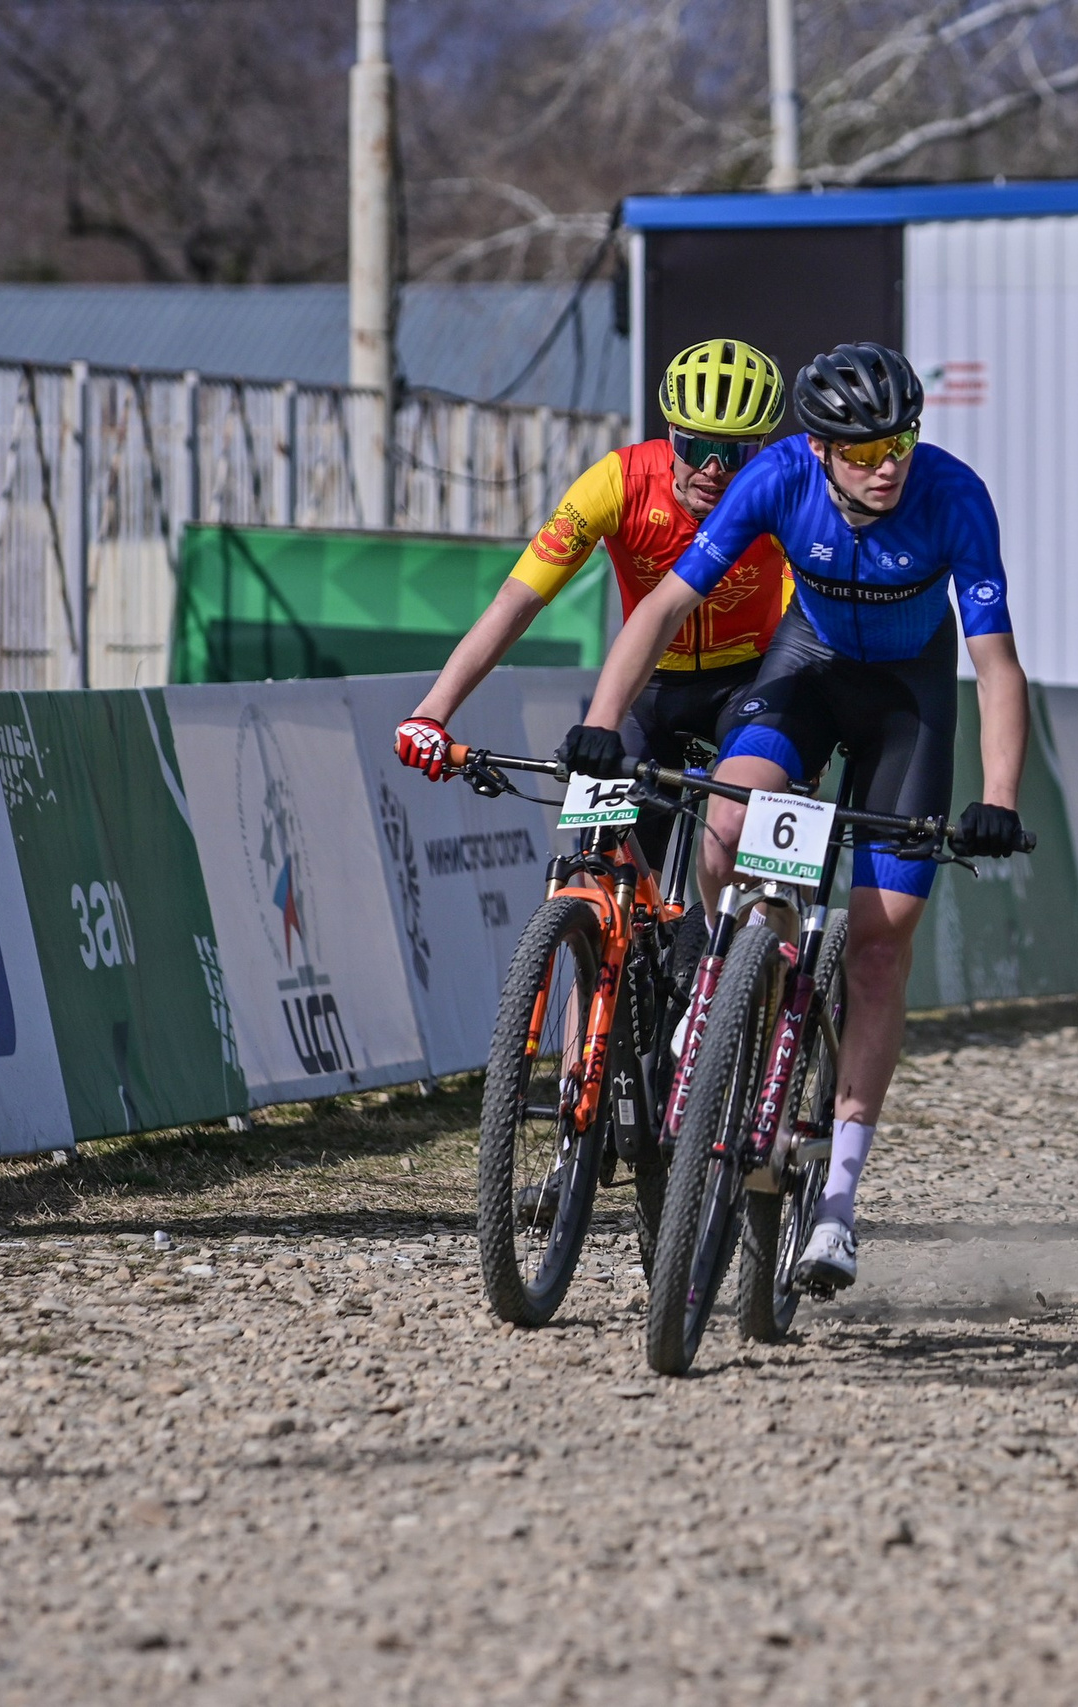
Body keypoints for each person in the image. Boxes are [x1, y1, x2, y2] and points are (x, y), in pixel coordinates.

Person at [561, 341, 1032, 1295]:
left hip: (907, 702)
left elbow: (995, 667)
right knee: (729, 822)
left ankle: (837, 1204)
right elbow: (662, 606)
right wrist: (602, 722)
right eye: (861, 451)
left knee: (876, 946)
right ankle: (717, 982)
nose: (885, 463)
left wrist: (998, 800)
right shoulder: (775, 477)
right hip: (806, 671)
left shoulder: (955, 497)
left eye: (898, 440)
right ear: (819, 451)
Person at [392, 337, 794, 875]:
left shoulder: (782, 494)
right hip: (648, 685)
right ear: (671, 434)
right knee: (602, 860)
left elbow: (811, 609)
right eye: (698, 448)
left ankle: (752, 947)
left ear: (763, 448)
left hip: (752, 682)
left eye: (738, 452)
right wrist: (432, 712)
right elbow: (519, 599)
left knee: (738, 847)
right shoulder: (618, 482)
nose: (715, 470)